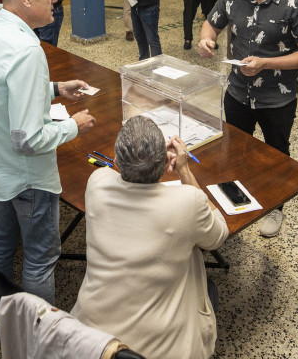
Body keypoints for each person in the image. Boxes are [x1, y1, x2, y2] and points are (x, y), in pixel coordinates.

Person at [0, 0, 96, 304]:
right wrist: (73, 125)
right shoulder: (27, 49)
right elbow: (28, 140)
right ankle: (38, 340)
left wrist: (53, 88)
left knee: (1, 242)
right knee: (39, 259)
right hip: (25, 179)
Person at [71, 118, 227, 359]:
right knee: (202, 272)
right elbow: (219, 235)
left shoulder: (97, 183)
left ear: (115, 161)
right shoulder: (188, 203)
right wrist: (184, 169)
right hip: (164, 349)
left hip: (90, 341)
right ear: (166, 162)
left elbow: (113, 174)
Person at [197, 0, 298, 237]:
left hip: (276, 99)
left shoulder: (296, 1)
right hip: (238, 91)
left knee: (275, 153)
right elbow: (210, 23)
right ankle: (235, 199)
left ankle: (275, 207)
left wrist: (265, 63)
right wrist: (206, 40)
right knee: (234, 148)